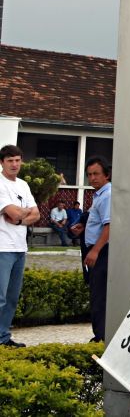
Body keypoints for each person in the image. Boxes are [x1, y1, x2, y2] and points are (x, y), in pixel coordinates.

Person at [0, 145, 39, 347]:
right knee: (0, 297)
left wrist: (19, 219)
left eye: (17, 160)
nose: (14, 164)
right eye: (10, 161)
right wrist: (24, 212)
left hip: (19, 248)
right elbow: (15, 212)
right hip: (2, 247)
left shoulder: (23, 185)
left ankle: (3, 337)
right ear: (2, 163)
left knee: (12, 297)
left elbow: (36, 214)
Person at [83, 156, 111, 342]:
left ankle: (100, 336)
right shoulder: (99, 195)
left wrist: (95, 251)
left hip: (101, 251)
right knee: (97, 292)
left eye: (96, 174)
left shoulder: (107, 195)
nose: (92, 178)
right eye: (89, 175)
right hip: (96, 249)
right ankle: (100, 334)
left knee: (99, 294)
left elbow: (109, 226)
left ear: (106, 175)